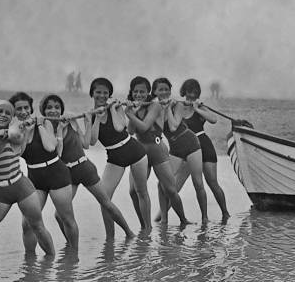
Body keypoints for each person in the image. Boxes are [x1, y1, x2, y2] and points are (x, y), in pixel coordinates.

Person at [39, 93, 135, 239]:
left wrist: (89, 121)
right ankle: (70, 245)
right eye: (49, 108)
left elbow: (85, 144)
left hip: (84, 168)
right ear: (43, 111)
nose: (53, 111)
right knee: (59, 215)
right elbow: (57, 156)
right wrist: (59, 130)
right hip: (67, 174)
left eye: (57, 107)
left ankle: (129, 233)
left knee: (106, 203)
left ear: (61, 109)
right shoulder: (44, 130)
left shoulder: (70, 119)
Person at [0, 100, 55, 261]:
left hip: (22, 188)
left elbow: (17, 137)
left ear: (11, 119)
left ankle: (52, 262)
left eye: (7, 113)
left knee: (37, 227)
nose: (3, 114)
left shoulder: (12, 134)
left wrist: (17, 130)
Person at [9, 92, 80, 253]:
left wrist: (39, 125)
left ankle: (73, 256)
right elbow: (18, 153)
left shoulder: (45, 122)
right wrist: (25, 131)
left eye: (26, 107)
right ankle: (31, 262)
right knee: (27, 224)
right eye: (18, 109)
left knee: (67, 219)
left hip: (57, 175)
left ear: (31, 108)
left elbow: (50, 147)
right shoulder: (15, 131)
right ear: (14, 112)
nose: (23, 111)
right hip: (35, 178)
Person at [88, 77, 151, 234]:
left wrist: (111, 109)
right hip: (115, 158)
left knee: (141, 191)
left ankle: (147, 229)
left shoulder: (115, 107)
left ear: (109, 94)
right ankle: (110, 238)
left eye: (105, 93)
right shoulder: (90, 115)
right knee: (104, 199)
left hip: (134, 151)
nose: (102, 96)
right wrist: (96, 118)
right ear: (92, 93)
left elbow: (119, 127)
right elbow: (92, 141)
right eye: (98, 92)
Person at [124, 76, 189, 225]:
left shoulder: (155, 106)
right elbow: (131, 131)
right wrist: (132, 112)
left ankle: (183, 220)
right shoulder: (133, 107)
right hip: (140, 152)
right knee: (133, 191)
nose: (139, 95)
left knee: (170, 190)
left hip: (157, 149)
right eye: (136, 92)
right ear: (132, 93)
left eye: (142, 92)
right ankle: (144, 225)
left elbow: (145, 127)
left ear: (148, 93)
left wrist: (130, 114)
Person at [171, 78, 230, 220]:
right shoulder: (178, 106)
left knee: (212, 182)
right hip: (187, 149)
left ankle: (224, 213)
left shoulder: (200, 106)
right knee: (175, 186)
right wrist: (169, 106)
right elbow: (172, 125)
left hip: (204, 145)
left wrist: (197, 108)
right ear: (184, 92)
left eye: (195, 93)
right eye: (190, 92)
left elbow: (214, 119)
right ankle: (160, 218)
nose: (192, 96)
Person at [155, 78, 208, 224]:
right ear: (155, 92)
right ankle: (164, 219)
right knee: (161, 184)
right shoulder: (154, 108)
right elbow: (157, 129)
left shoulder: (177, 104)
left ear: (170, 91)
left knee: (198, 183)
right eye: (161, 90)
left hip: (191, 143)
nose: (164, 92)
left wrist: (167, 109)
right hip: (175, 149)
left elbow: (173, 127)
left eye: (167, 89)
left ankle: (205, 218)